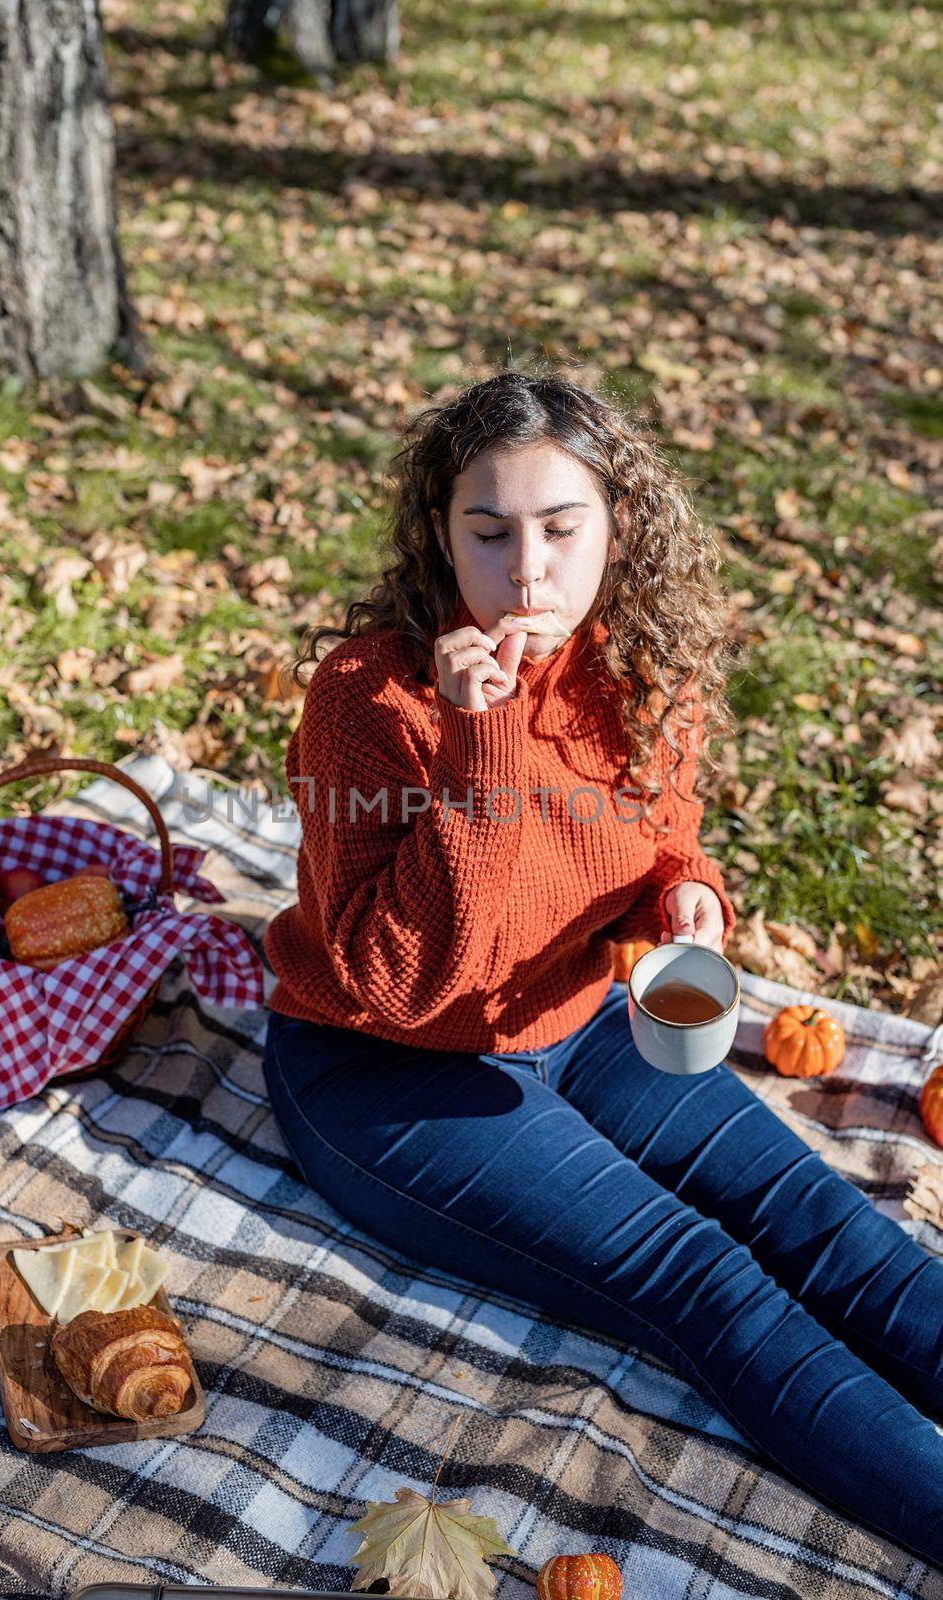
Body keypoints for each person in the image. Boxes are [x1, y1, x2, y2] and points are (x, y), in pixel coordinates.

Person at [261, 366, 943, 1565]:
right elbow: (400, 977)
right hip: (388, 1065)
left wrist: (688, 898)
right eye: (490, 532)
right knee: (704, 1278)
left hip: (579, 1015)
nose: (528, 571)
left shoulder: (636, 665)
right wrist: (480, 744)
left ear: (615, 527)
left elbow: (652, 842)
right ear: (440, 534)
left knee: (814, 1213)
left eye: (562, 529)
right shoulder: (369, 697)